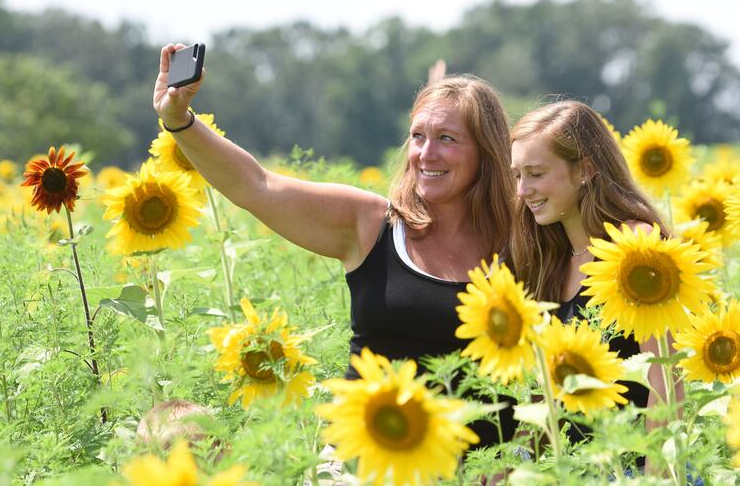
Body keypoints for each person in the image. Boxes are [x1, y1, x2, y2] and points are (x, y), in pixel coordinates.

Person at [153, 45, 518, 447]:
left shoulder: (525, 243)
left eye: (447, 138)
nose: (425, 154)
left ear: (487, 152)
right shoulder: (372, 226)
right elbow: (257, 186)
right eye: (418, 136)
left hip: (489, 469)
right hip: (366, 462)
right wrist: (178, 120)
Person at [508, 100, 682, 467]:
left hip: (633, 469)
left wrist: (654, 476)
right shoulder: (550, 259)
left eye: (536, 173)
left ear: (585, 170)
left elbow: (666, 375)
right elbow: (546, 395)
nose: (523, 190)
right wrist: (511, 466)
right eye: (517, 175)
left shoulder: (636, 249)